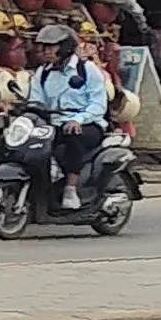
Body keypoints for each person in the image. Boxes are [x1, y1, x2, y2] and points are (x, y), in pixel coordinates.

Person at [29, 24, 109, 210]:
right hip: (54, 124)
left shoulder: (87, 69)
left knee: (73, 136)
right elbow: (36, 101)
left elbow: (98, 103)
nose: (46, 50)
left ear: (64, 47)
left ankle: (70, 190)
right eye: (44, 46)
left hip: (88, 123)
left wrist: (78, 120)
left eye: (51, 46)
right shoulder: (42, 73)